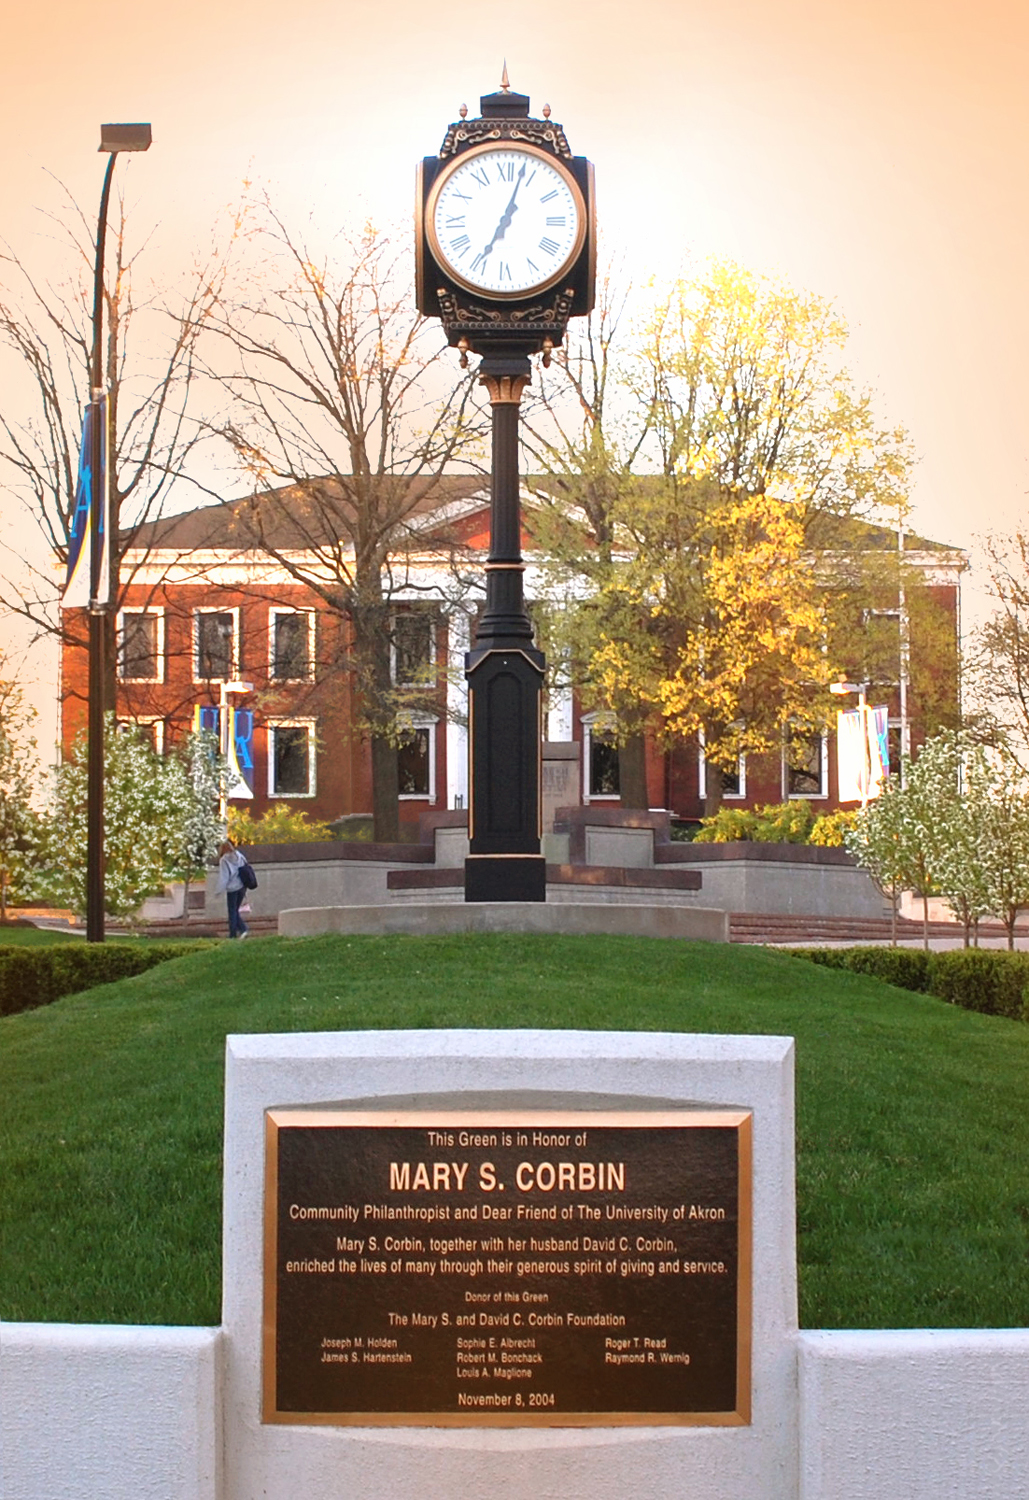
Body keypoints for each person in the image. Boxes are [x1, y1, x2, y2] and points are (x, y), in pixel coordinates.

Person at [216, 839, 250, 939]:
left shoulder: (224, 860)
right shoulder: (239, 856)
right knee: (235, 910)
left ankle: (236, 932)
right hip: (242, 886)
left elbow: (224, 876)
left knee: (232, 911)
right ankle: (241, 930)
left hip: (232, 888)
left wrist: (218, 890)